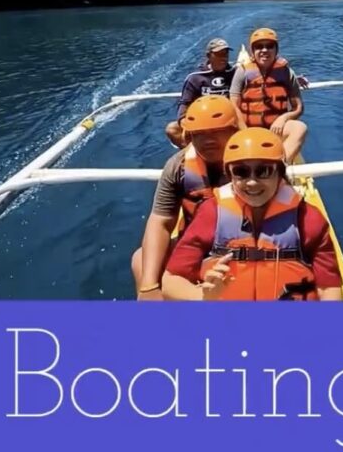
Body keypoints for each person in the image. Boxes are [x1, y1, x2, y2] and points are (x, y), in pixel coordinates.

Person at [160, 128, 343, 452]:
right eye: (242, 171)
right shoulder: (211, 216)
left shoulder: (309, 220)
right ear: (230, 173)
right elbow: (172, 279)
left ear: (279, 172)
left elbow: (330, 288)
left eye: (263, 170)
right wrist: (202, 296)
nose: (252, 180)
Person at [132, 96, 239, 300]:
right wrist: (149, 285)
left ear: (233, 130)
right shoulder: (178, 166)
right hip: (196, 246)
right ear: (189, 137)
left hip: (242, 248)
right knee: (140, 260)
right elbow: (161, 222)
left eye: (217, 131)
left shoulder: (254, 165)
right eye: (199, 134)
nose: (208, 140)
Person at [230, 28, 308, 164]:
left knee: (300, 128)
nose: (265, 50)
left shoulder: (286, 73)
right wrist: (245, 132)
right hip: (247, 128)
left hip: (276, 129)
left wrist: (284, 118)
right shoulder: (242, 72)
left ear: (276, 50)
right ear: (253, 51)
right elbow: (233, 107)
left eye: (269, 46)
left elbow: (299, 108)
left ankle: (279, 166)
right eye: (259, 47)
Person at [165, 38, 236, 148]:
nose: (223, 57)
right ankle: (194, 152)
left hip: (227, 122)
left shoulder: (235, 73)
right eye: (219, 54)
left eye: (225, 53)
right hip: (203, 122)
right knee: (172, 129)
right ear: (208, 56)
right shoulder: (195, 77)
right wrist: (184, 122)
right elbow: (184, 103)